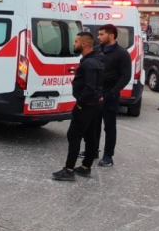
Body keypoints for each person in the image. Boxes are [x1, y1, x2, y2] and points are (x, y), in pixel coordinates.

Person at [52, 32, 104, 181]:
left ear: (84, 44)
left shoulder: (88, 63)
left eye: (76, 41)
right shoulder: (96, 59)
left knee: (73, 136)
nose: (74, 44)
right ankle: (85, 167)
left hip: (87, 105)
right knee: (91, 136)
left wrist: (80, 103)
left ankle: (68, 170)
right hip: (96, 104)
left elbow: (90, 86)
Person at [93, 24, 132, 167]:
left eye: (102, 34)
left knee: (109, 127)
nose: (99, 37)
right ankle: (93, 150)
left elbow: (126, 75)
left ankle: (108, 156)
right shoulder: (97, 50)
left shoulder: (121, 53)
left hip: (110, 95)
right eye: (98, 34)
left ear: (111, 35)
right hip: (95, 93)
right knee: (93, 125)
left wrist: (112, 92)